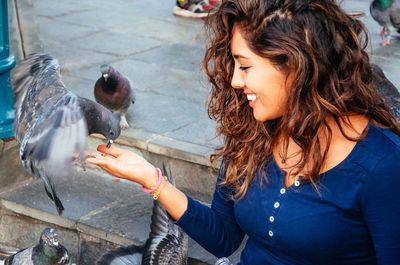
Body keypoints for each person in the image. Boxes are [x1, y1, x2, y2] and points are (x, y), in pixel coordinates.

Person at [87, 0, 400, 264]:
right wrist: (152, 180)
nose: (235, 80)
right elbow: (224, 237)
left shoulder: (381, 164)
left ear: (297, 66)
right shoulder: (253, 133)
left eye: (246, 66)